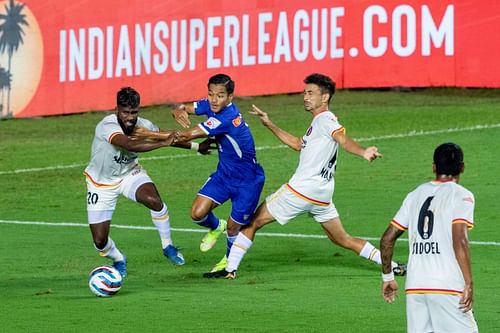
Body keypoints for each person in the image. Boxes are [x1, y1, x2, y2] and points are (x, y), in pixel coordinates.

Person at [204, 73, 405, 279]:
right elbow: (298, 144)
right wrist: (269, 123)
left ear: (324, 98)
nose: (305, 97)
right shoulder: (318, 123)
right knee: (342, 239)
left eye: (311, 93)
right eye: (304, 92)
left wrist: (363, 152)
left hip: (300, 191)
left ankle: (229, 269)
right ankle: (392, 265)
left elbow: (343, 140)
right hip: (321, 195)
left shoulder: (326, 120)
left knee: (251, 223)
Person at [133, 74, 265, 272]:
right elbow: (186, 107)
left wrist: (147, 134)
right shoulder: (211, 105)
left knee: (233, 227)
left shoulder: (227, 117)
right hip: (224, 175)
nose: (214, 99)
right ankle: (215, 226)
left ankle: (228, 264)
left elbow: (185, 135)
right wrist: (177, 110)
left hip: (248, 181)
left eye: (220, 96)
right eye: (211, 94)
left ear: (230, 97)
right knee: (197, 213)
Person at [84, 87, 186, 277]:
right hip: (100, 184)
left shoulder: (143, 124)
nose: (130, 117)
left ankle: (168, 246)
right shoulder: (107, 126)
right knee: (99, 241)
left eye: (134, 112)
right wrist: (162, 143)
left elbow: (169, 137)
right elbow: (129, 144)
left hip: (129, 173)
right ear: (117, 109)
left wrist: (197, 146)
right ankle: (118, 259)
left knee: (154, 200)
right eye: (126, 112)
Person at [380, 142, 478, 332]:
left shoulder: (415, 195)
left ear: (434, 167)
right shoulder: (462, 195)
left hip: (415, 287)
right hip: (447, 286)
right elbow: (460, 240)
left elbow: (387, 239)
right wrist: (468, 283)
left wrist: (388, 277)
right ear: (462, 167)